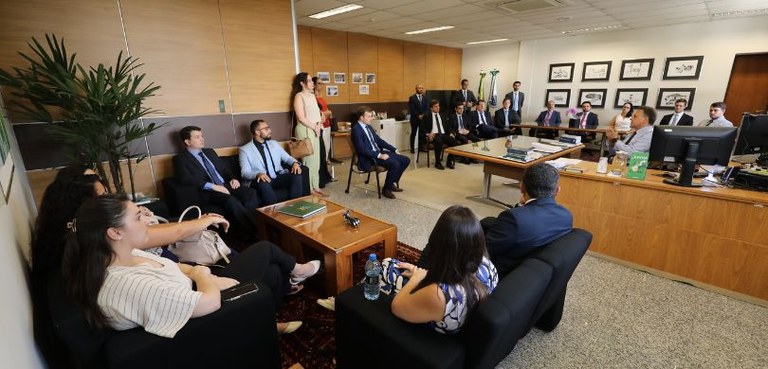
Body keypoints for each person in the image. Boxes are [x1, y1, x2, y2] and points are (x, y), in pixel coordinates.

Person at [61, 195, 312, 337]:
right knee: (265, 250)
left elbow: (173, 267)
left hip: (197, 287)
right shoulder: (130, 285)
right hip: (205, 312)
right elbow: (208, 303)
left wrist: (197, 272)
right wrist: (204, 276)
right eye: (138, 217)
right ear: (115, 232)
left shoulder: (122, 254)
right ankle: (293, 277)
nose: (147, 221)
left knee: (273, 272)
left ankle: (263, 323)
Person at [379, 205, 498, 334]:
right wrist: (417, 271)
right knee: (396, 266)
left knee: (387, 267)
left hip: (432, 330)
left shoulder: (438, 294)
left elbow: (396, 307)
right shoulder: (487, 265)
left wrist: (417, 276)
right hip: (459, 311)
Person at [481, 163, 573, 276]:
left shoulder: (513, 218)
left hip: (502, 275)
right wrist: (520, 206)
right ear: (557, 191)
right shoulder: (566, 216)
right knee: (488, 222)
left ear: (522, 187)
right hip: (533, 274)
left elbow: (485, 252)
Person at [173, 126, 260, 230]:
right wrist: (213, 186)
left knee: (251, 193)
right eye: (197, 137)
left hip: (226, 185)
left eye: (202, 136)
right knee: (231, 200)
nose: (202, 139)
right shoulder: (180, 159)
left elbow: (224, 169)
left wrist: (233, 178)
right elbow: (185, 179)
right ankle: (255, 230)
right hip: (209, 192)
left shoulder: (210, 152)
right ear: (187, 142)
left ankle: (254, 226)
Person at [239, 119, 303, 205]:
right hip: (261, 180)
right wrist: (258, 174)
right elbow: (244, 173)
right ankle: (274, 212)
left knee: (296, 176)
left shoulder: (274, 144)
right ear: (257, 132)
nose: (270, 131)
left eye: (269, 128)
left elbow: (287, 158)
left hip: (277, 176)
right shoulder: (245, 150)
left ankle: (296, 206)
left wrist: (294, 163)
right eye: (266, 129)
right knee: (263, 184)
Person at [351, 106, 410, 199]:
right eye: (369, 116)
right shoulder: (356, 129)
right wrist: (379, 155)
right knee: (395, 164)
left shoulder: (368, 126)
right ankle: (386, 189)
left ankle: (391, 183)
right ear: (361, 117)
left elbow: (379, 141)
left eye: (372, 116)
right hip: (369, 158)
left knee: (406, 160)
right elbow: (362, 149)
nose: (372, 118)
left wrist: (393, 149)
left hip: (378, 152)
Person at [291, 72, 326, 197]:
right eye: (310, 80)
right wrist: (314, 127)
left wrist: (319, 123)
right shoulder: (299, 96)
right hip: (305, 129)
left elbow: (316, 114)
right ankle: (309, 188)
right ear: (302, 83)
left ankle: (316, 186)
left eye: (312, 80)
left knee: (316, 160)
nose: (312, 83)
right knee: (308, 160)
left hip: (315, 129)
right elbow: (301, 117)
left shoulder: (312, 96)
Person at [420, 100, 459, 170]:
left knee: (454, 141)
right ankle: (437, 163)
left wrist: (451, 133)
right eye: (435, 106)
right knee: (439, 141)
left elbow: (448, 126)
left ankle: (449, 161)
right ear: (431, 108)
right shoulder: (427, 116)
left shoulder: (442, 115)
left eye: (438, 106)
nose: (438, 108)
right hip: (434, 135)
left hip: (442, 134)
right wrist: (428, 134)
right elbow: (422, 128)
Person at [312, 76, 335, 187]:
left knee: (327, 148)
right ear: (314, 84)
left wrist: (328, 113)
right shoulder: (312, 97)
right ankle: (322, 174)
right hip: (320, 125)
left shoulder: (321, 96)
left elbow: (324, 110)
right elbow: (317, 112)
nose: (321, 85)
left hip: (327, 123)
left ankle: (325, 173)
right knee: (323, 150)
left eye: (322, 83)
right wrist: (327, 113)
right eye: (319, 83)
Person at [408, 84, 428, 153]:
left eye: (422, 88)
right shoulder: (412, 98)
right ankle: (412, 148)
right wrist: (418, 115)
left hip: (423, 119)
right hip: (414, 119)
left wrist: (423, 115)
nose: (421, 89)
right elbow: (412, 108)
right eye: (419, 88)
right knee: (413, 133)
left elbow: (427, 108)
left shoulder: (425, 98)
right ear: (416, 89)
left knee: (421, 134)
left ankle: (421, 148)